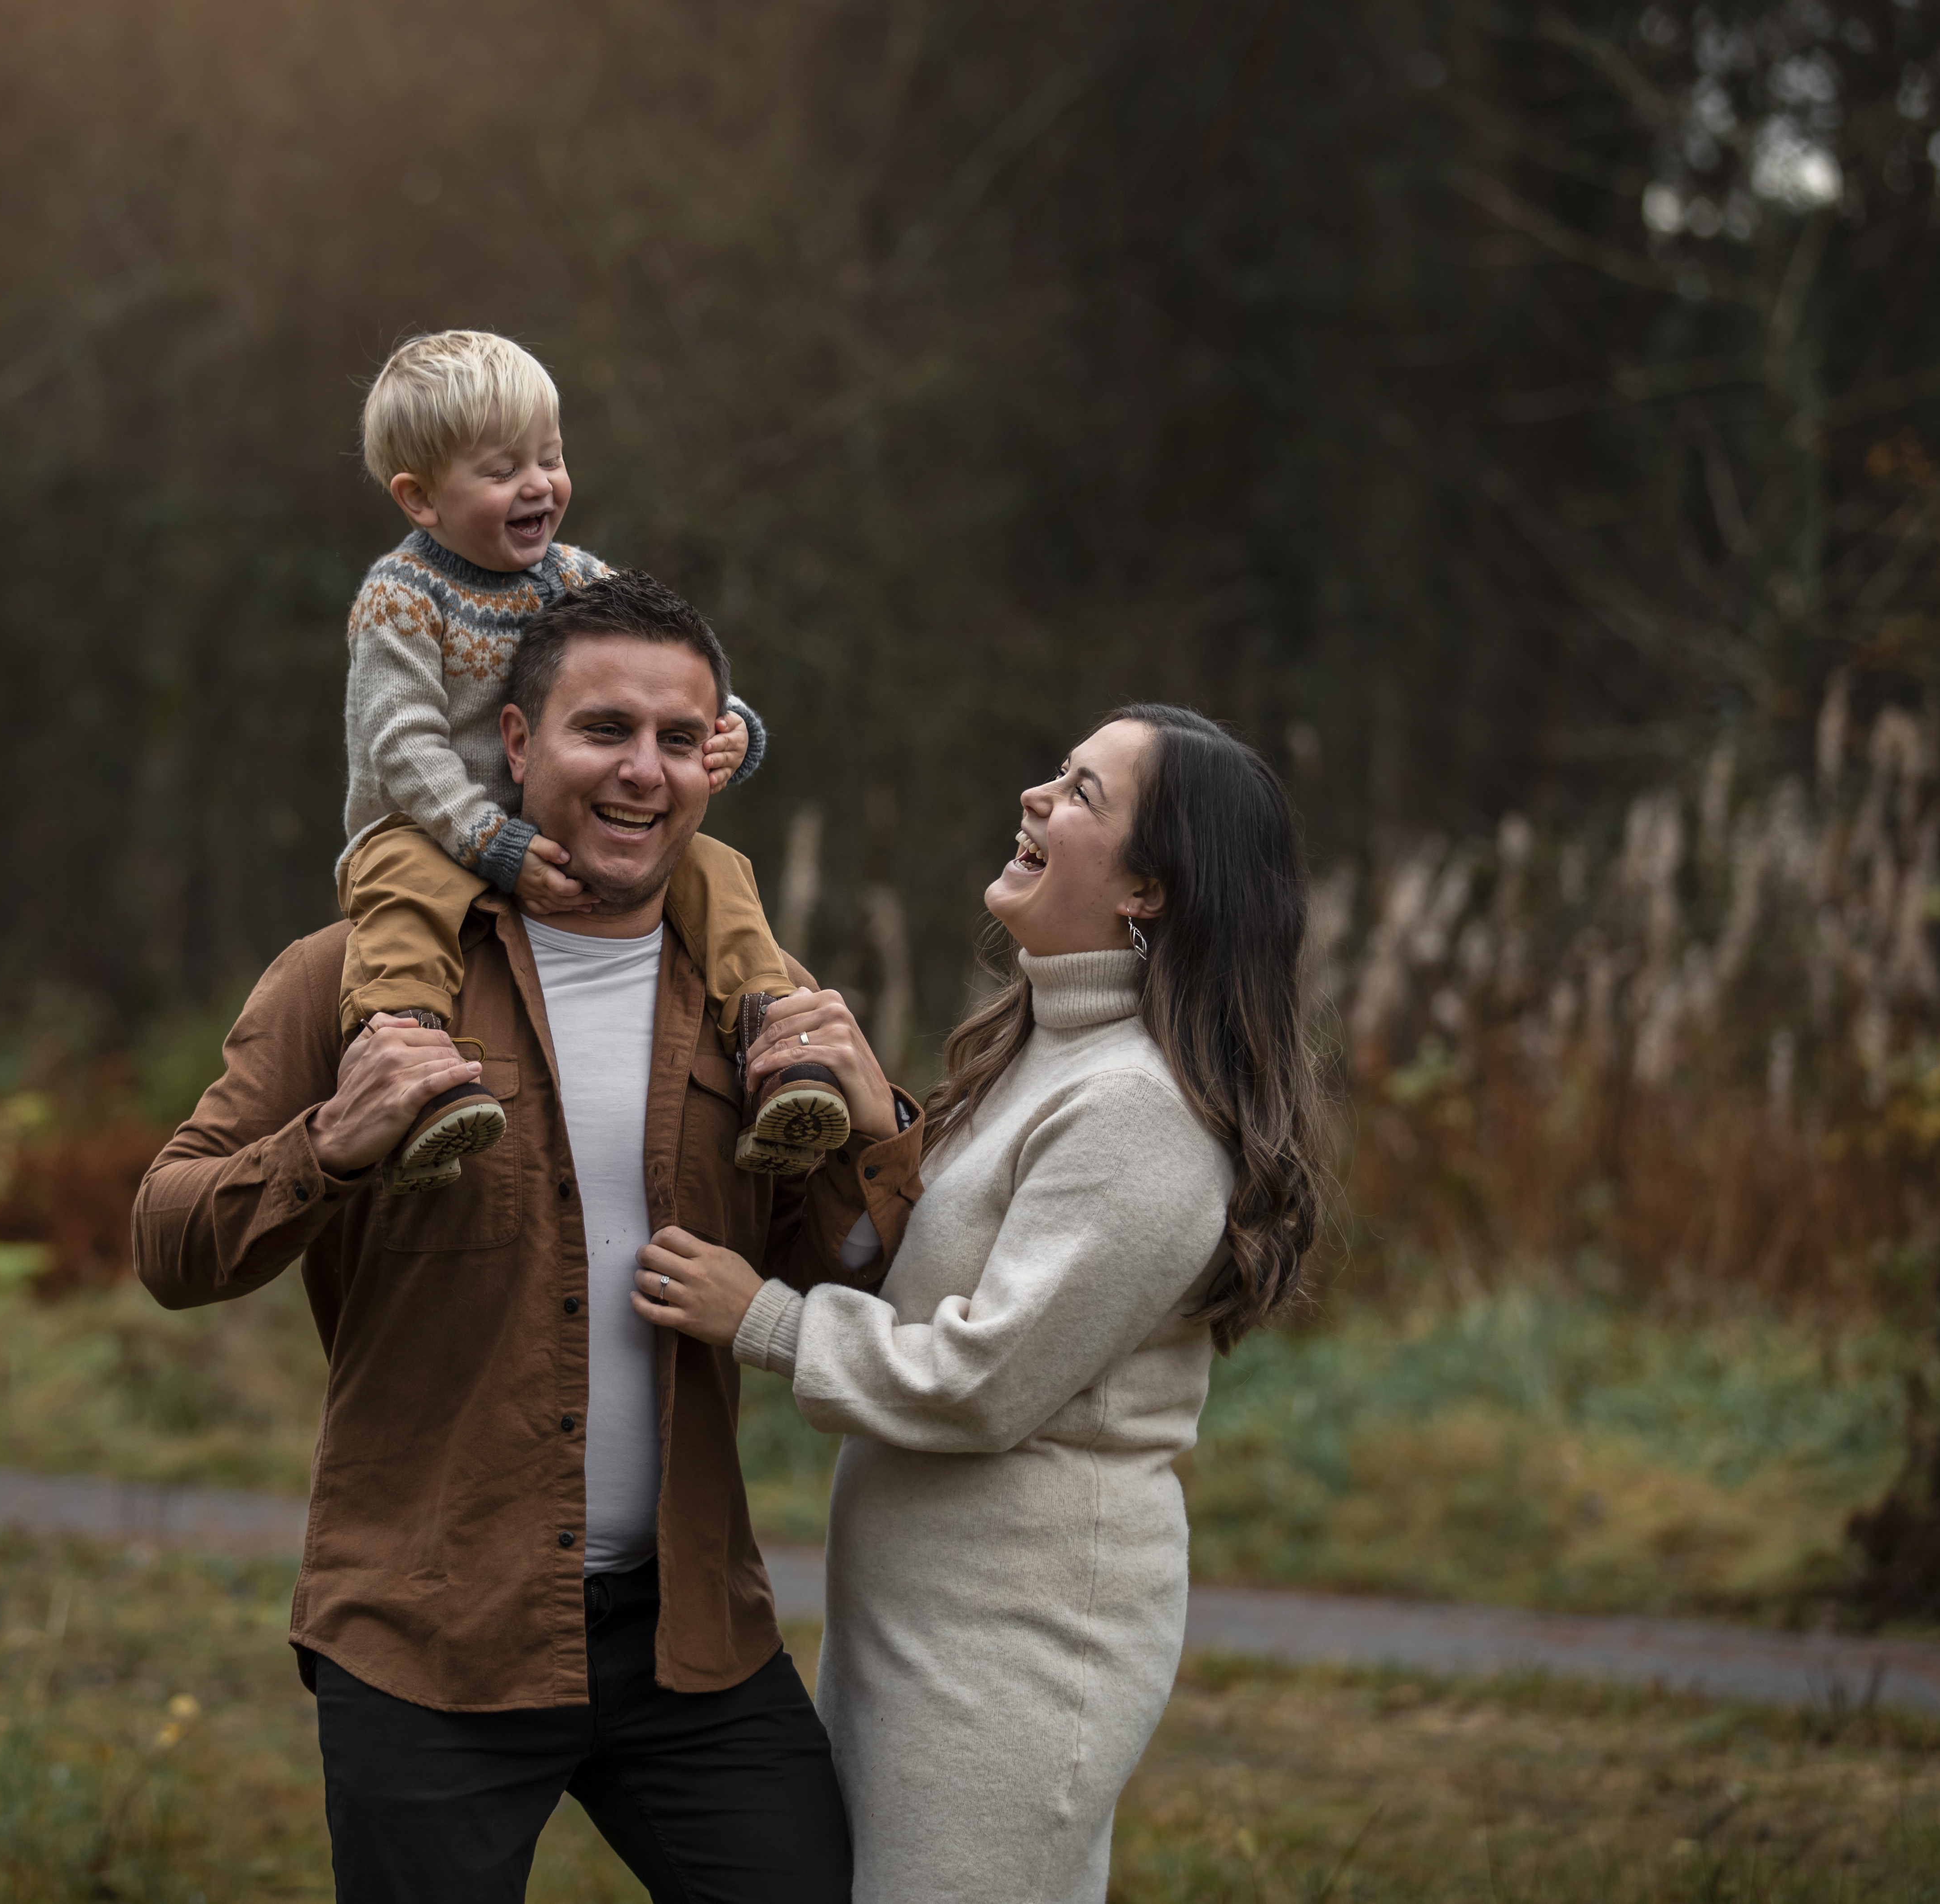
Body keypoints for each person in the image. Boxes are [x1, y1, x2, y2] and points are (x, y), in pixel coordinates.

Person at [133, 573, 910, 1904]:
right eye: (603, 729)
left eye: (681, 738)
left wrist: (875, 1112)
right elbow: (170, 1241)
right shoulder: (351, 981)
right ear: (514, 743)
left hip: (692, 1645)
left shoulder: (752, 1001)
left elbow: (852, 1268)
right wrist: (328, 1141)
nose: (643, 772)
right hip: (431, 1637)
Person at [634, 704, 1323, 1904]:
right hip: (922, 1627)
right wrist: (884, 1127)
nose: (1035, 800)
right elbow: (948, 1276)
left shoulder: (1138, 1109)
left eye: (1081, 795)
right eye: (1056, 776)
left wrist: (760, 1318)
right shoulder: (1045, 1055)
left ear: (1148, 888)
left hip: (1019, 1651)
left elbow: (986, 1377)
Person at [334, 329, 847, 1191]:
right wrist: (485, 839)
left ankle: (777, 1052)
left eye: (551, 457)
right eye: (502, 472)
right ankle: (411, 1074)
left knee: (716, 871)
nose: (539, 485)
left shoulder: (570, 574)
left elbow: (656, 666)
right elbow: (403, 745)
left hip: (556, 819)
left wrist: (728, 729)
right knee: (406, 905)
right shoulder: (400, 596)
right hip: (421, 826)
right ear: (421, 499)